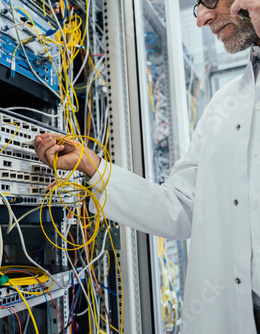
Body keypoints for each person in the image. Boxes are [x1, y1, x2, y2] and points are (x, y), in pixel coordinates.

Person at [34, 0, 260, 333]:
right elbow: (178, 207)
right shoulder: (223, 104)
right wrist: (91, 164)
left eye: (209, 1)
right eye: (196, 6)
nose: (200, 18)